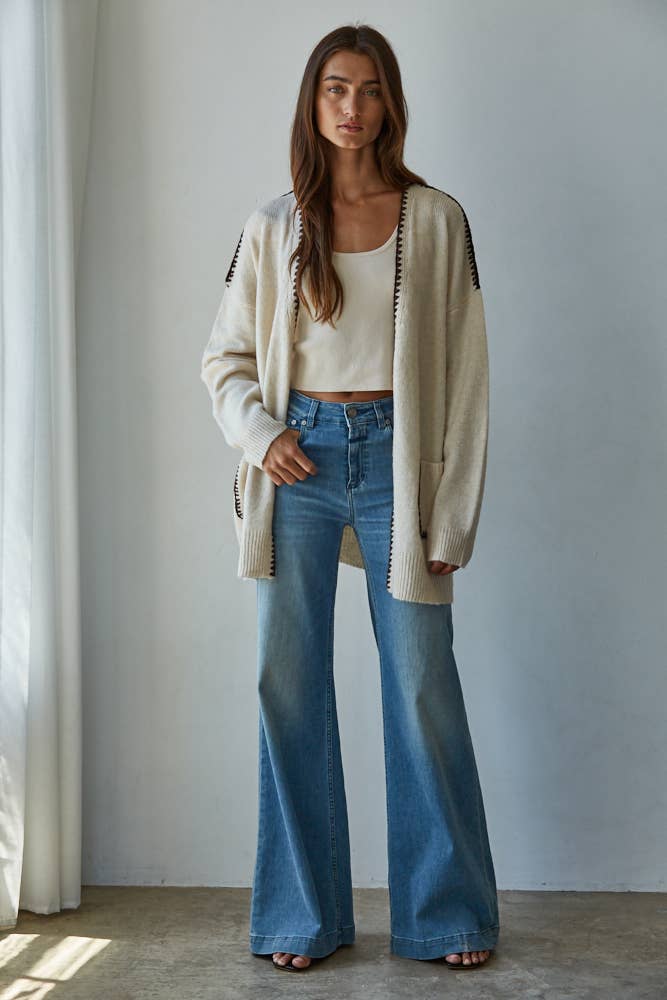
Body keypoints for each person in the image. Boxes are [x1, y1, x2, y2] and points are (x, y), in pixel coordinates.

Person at [201, 23, 499, 974]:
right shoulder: (274, 225)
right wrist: (264, 435)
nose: (352, 107)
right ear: (313, 99)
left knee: (420, 686)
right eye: (336, 87)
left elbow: (465, 377)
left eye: (369, 90)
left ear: (389, 103)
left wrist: (452, 512)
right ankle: (302, 918)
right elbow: (223, 361)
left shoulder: (436, 219)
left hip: (399, 466)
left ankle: (444, 916)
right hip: (297, 467)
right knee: (286, 687)